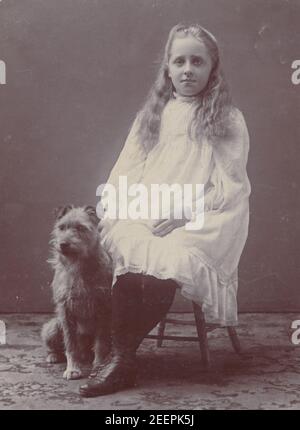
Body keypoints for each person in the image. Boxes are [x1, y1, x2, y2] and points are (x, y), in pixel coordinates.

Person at [79, 22, 251, 397]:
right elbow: (126, 170)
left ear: (212, 68)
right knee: (132, 245)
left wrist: (185, 213)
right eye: (179, 61)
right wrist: (125, 209)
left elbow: (230, 188)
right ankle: (122, 359)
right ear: (167, 69)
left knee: (168, 258)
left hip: (206, 216)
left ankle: (119, 357)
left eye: (197, 61)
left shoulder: (227, 119)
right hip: (150, 208)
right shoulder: (152, 116)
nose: (188, 69)